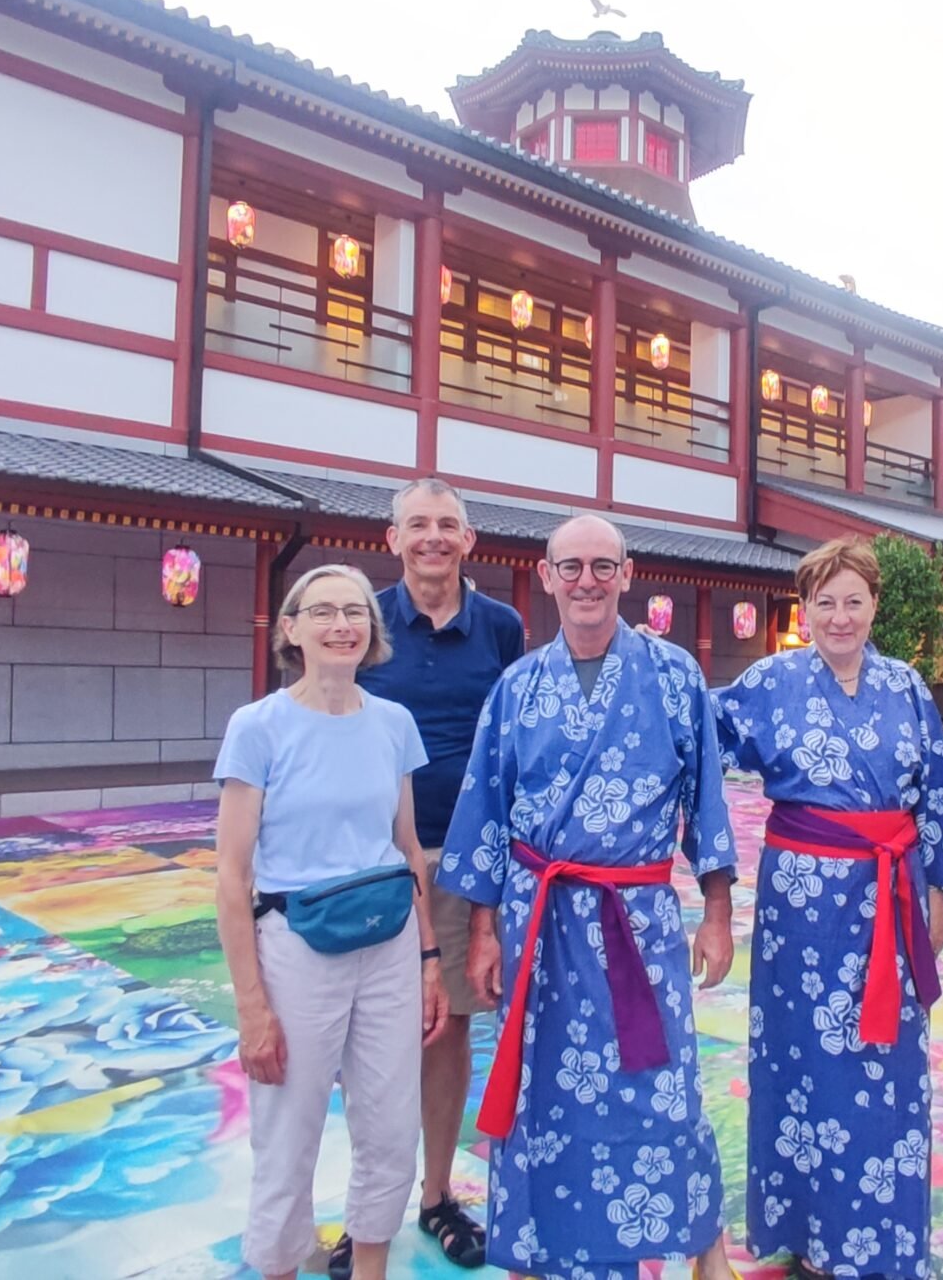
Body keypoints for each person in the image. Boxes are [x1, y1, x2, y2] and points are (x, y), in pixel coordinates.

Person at [438, 514, 738, 1280]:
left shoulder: (673, 677)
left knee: (660, 1084)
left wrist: (717, 914)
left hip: (637, 920)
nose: (587, 582)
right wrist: (483, 933)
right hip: (538, 921)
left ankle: (696, 1243)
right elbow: (488, 818)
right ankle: (540, 1248)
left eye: (603, 567)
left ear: (629, 575)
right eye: (570, 567)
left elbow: (706, 802)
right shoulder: (516, 686)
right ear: (546, 578)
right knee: (545, 1088)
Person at [710, 536, 943, 1280]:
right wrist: (653, 671)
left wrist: (936, 888)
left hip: (888, 891)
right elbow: (700, 732)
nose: (839, 616)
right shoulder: (772, 681)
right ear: (804, 609)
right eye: (824, 602)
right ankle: (805, 1223)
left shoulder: (906, 687)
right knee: (800, 1056)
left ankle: (876, 1231)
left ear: (874, 606)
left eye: (853, 600)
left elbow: (938, 791)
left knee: (885, 1059)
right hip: (801, 902)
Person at [214, 563, 448, 1280]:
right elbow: (231, 875)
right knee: (289, 1131)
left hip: (388, 944)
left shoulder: (394, 724)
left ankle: (370, 1264)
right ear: (292, 629)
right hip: (297, 945)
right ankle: (283, 1266)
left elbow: (406, 846)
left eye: (354, 612)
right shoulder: (258, 728)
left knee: (389, 1119)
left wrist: (429, 959)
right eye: (322, 612)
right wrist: (252, 1005)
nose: (342, 624)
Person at [332, 479, 524, 1275]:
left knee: (448, 1029)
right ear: (393, 538)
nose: (433, 538)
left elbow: (517, 736)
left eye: (448, 525)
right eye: (419, 525)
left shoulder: (502, 628)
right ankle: (366, 1209)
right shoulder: (364, 622)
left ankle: (437, 1193)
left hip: (469, 862)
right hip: (377, 864)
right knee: (373, 1039)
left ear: (469, 540)